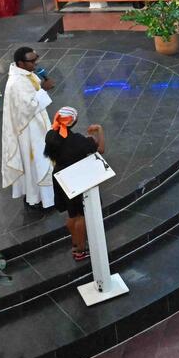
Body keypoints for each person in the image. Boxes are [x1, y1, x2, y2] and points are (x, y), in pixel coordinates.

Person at [43, 107, 105, 261]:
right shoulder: (78, 140)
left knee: (71, 214)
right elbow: (101, 149)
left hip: (60, 177)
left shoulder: (51, 136)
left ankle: (75, 244)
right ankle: (81, 249)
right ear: (74, 121)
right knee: (81, 216)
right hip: (75, 178)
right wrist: (99, 131)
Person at [1, 46, 56, 210]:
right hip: (29, 131)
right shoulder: (16, 83)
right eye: (31, 61)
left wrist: (42, 86)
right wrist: (44, 89)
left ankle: (50, 195)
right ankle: (38, 197)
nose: (35, 63)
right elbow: (27, 108)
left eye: (35, 59)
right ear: (20, 63)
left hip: (37, 124)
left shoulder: (26, 73)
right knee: (37, 163)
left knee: (44, 160)